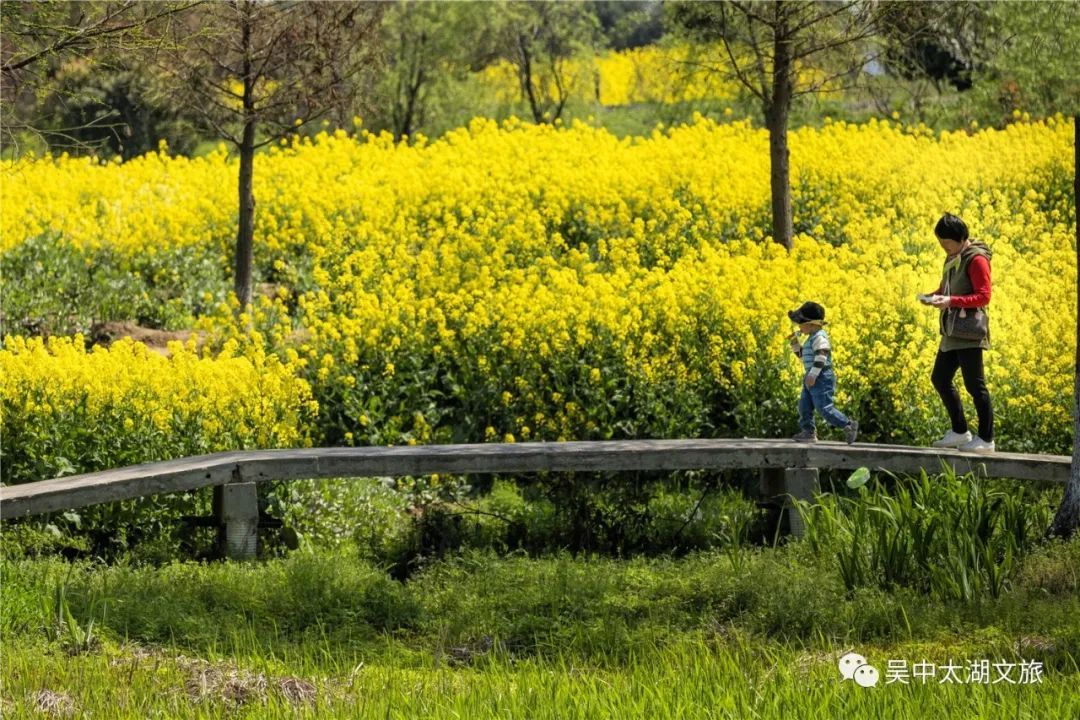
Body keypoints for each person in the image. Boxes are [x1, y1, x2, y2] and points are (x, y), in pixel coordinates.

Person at [918, 213, 994, 453]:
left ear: (960, 238)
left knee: (975, 386)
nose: (943, 247)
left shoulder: (976, 259)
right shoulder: (953, 257)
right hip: (952, 331)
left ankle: (986, 439)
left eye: (946, 242)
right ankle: (960, 431)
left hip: (969, 331)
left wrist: (950, 300)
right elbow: (947, 288)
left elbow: (984, 296)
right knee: (939, 378)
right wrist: (934, 296)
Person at [787, 301, 858, 444]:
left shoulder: (820, 336)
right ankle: (808, 432)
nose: (799, 326)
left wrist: (813, 374)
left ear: (812, 324)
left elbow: (822, 356)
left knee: (824, 408)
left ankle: (848, 424)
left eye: (801, 323)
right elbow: (804, 357)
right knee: (804, 406)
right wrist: (795, 343)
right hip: (811, 376)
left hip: (821, 377)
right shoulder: (810, 339)